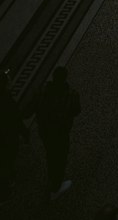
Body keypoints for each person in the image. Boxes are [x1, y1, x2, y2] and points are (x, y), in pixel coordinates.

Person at [34, 66, 80, 200]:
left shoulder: (42, 91)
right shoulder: (71, 95)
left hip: (45, 131)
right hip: (61, 132)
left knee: (50, 153)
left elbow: (30, 109)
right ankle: (56, 186)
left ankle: (52, 175)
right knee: (61, 156)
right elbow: (77, 110)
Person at [0, 65, 26, 202]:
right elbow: (15, 119)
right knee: (7, 159)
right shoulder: (7, 101)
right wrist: (24, 133)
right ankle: (6, 186)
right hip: (7, 137)